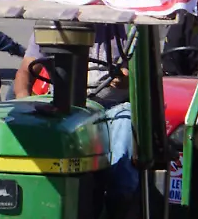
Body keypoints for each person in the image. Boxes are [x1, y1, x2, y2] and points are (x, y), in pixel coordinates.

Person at [13, 25, 136, 196]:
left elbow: (138, 73)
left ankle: (118, 204)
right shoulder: (53, 26)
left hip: (111, 108)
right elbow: (25, 71)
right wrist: (23, 100)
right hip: (61, 102)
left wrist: (126, 79)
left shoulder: (124, 27)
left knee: (125, 135)